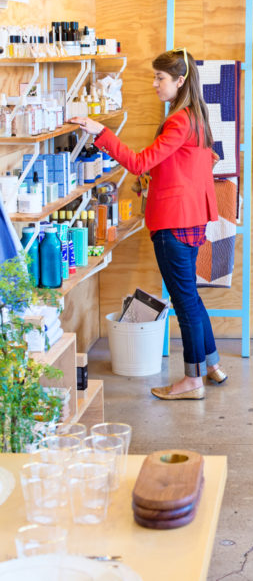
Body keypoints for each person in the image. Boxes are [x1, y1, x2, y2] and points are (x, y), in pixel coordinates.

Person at [73, 47, 226, 401]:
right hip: (192, 220)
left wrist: (102, 132)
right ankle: (212, 364)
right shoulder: (197, 118)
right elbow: (183, 163)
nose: (155, 83)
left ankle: (191, 380)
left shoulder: (178, 120)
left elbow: (140, 162)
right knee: (191, 298)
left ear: (180, 81)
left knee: (184, 302)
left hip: (173, 223)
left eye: (160, 78)